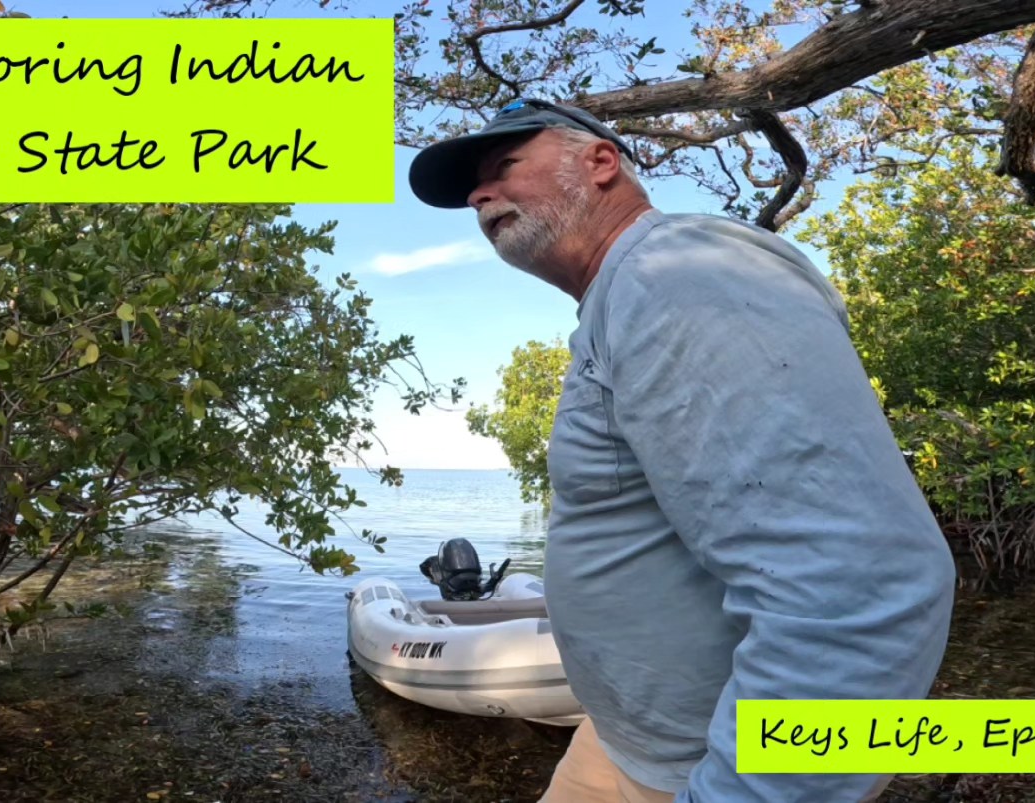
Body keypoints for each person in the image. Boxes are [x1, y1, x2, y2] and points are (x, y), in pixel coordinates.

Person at [407, 98, 956, 802]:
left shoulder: (672, 276)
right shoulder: (623, 296)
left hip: (704, 767)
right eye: (475, 188)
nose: (481, 194)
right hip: (626, 742)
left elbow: (857, 584)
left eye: (505, 166)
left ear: (601, 162)